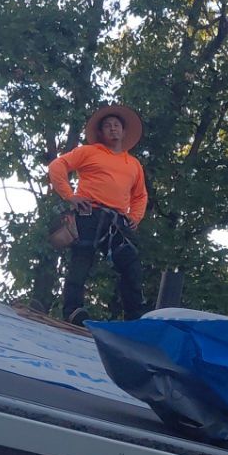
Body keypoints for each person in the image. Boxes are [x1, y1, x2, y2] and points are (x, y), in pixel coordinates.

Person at [46, 103, 148, 323]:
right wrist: (70, 195)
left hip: (118, 221)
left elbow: (140, 196)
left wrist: (135, 217)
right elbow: (57, 166)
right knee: (81, 259)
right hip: (89, 213)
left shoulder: (133, 164)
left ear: (123, 131)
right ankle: (73, 310)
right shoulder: (89, 152)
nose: (113, 129)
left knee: (130, 264)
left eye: (117, 125)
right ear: (101, 133)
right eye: (108, 126)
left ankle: (135, 317)